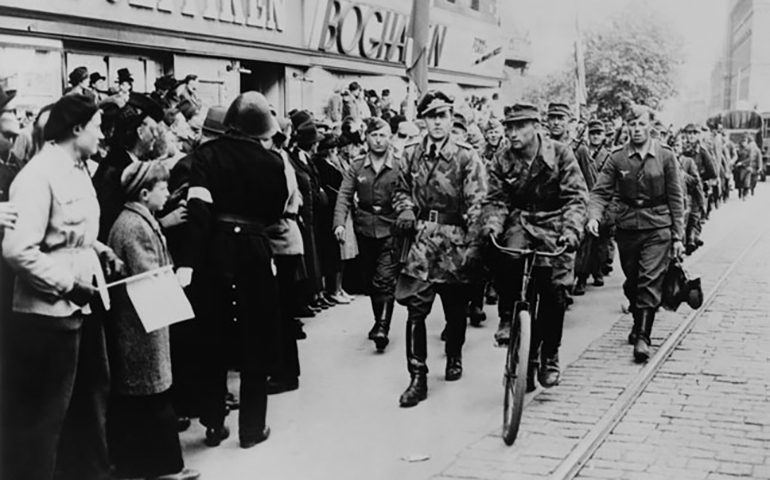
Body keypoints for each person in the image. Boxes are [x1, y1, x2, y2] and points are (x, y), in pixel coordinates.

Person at [2, 94, 124, 480]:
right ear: (76, 129)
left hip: (82, 308)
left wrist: (100, 249)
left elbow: (71, 234)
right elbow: (18, 250)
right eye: (97, 127)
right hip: (49, 316)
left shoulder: (76, 169)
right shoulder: (38, 175)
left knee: (91, 403)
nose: (102, 134)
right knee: (46, 419)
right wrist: (68, 285)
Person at [176, 91, 288, 449]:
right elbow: (275, 212)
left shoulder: (205, 156)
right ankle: (252, 429)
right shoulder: (273, 162)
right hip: (255, 250)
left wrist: (190, 262)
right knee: (257, 336)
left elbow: (198, 210)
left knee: (213, 336)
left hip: (214, 251)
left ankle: (213, 423)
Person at [479, 103, 587, 390]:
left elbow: (576, 198)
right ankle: (508, 318)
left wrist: (572, 230)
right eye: (509, 127)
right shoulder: (503, 157)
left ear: (536, 126)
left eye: (519, 127)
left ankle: (550, 353)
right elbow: (496, 199)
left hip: (556, 223)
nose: (512, 133)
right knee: (506, 256)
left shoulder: (561, 154)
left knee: (556, 292)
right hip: (521, 220)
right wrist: (491, 223)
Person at [392, 90, 487, 407]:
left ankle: (455, 353)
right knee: (415, 309)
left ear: (450, 119)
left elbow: (478, 202)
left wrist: (476, 240)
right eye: (431, 116)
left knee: (455, 307)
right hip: (420, 241)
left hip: (454, 242)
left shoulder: (466, 156)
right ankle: (416, 376)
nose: (437, 122)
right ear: (423, 121)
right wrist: (405, 208)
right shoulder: (410, 154)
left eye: (442, 115)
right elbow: (400, 189)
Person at [105, 160, 200, 480]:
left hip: (142, 324)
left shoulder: (138, 219)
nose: (168, 194)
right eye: (162, 188)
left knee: (149, 399)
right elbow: (149, 278)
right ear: (145, 193)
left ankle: (151, 466)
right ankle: (166, 468)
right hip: (141, 326)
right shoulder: (135, 226)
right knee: (153, 399)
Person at [587, 105, 685, 363]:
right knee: (632, 281)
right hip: (628, 227)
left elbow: (676, 197)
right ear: (626, 126)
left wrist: (678, 236)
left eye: (641, 124)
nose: (637, 129)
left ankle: (643, 336)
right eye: (632, 124)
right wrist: (594, 215)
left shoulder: (665, 156)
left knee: (649, 279)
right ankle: (637, 320)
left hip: (658, 227)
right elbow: (600, 191)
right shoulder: (617, 158)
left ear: (650, 125)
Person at [333, 117, 401, 351]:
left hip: (391, 227)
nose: (379, 140)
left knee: (385, 279)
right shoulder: (357, 165)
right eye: (374, 135)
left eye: (383, 135)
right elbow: (344, 194)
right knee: (370, 278)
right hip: (364, 227)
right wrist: (339, 223)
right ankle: (377, 320)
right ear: (367, 138)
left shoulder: (400, 166)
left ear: (390, 138)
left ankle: (383, 326)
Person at [92, 95, 164, 242]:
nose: (156, 135)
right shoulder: (115, 170)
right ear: (140, 132)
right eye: (153, 130)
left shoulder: (127, 162)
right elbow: (112, 221)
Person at [574, 119, 610, 295]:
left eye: (598, 133)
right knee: (587, 242)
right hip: (586, 197)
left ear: (604, 136)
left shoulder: (609, 156)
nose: (595, 137)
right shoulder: (583, 152)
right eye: (592, 133)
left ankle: (597, 271)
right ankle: (581, 277)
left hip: (603, 200)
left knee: (601, 242)